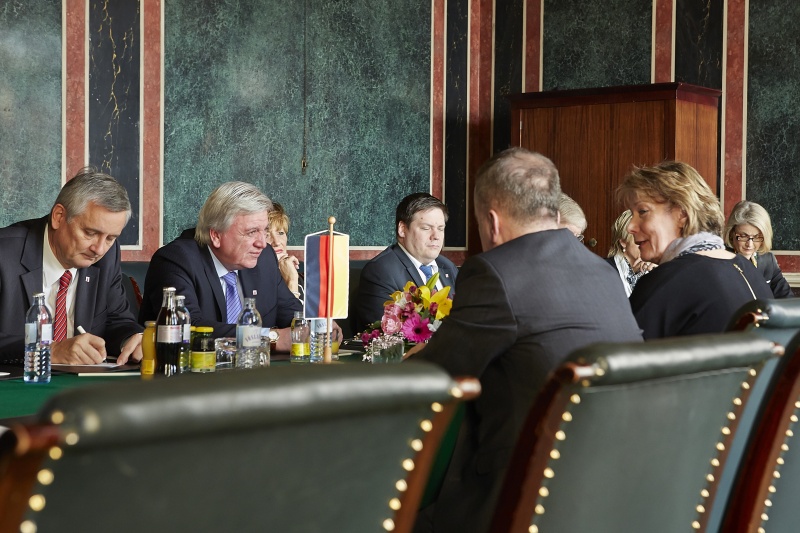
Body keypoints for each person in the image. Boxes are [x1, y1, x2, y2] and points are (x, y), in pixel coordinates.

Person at [407, 147, 643, 533]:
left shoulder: (495, 271)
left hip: (523, 494)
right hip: (611, 489)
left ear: (492, 221)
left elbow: (431, 378)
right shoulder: (602, 272)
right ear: (552, 210)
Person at [0, 167, 143, 365]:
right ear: (59, 216)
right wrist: (49, 351)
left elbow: (117, 320)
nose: (99, 249)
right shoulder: (4, 254)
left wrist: (132, 339)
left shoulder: (107, 257)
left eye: (110, 238)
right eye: (90, 233)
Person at [139, 182, 303, 351]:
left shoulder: (264, 258)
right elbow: (186, 328)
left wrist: (313, 328)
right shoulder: (175, 260)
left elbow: (294, 315)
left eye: (265, 230)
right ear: (216, 235)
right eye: (252, 232)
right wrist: (270, 338)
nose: (262, 243)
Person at [619, 161, 773, 339]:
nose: (630, 226)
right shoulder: (751, 273)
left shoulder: (664, 282)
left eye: (643, 211)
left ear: (682, 214)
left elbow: (618, 353)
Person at [355, 193, 458, 332]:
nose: (436, 236)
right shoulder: (381, 271)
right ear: (402, 229)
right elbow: (388, 333)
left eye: (440, 228)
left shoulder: (448, 267)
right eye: (426, 228)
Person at [723, 200, 792, 298]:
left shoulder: (768, 261)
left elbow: (787, 298)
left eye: (757, 237)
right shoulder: (720, 261)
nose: (750, 244)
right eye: (743, 236)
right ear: (731, 234)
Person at [606, 209, 656, 297]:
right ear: (623, 242)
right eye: (640, 240)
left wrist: (660, 274)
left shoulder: (653, 268)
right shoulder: (605, 271)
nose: (647, 245)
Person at [266, 202, 302, 300]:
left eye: (281, 233)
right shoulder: (250, 281)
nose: (277, 242)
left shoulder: (304, 277)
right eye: (267, 235)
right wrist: (291, 282)